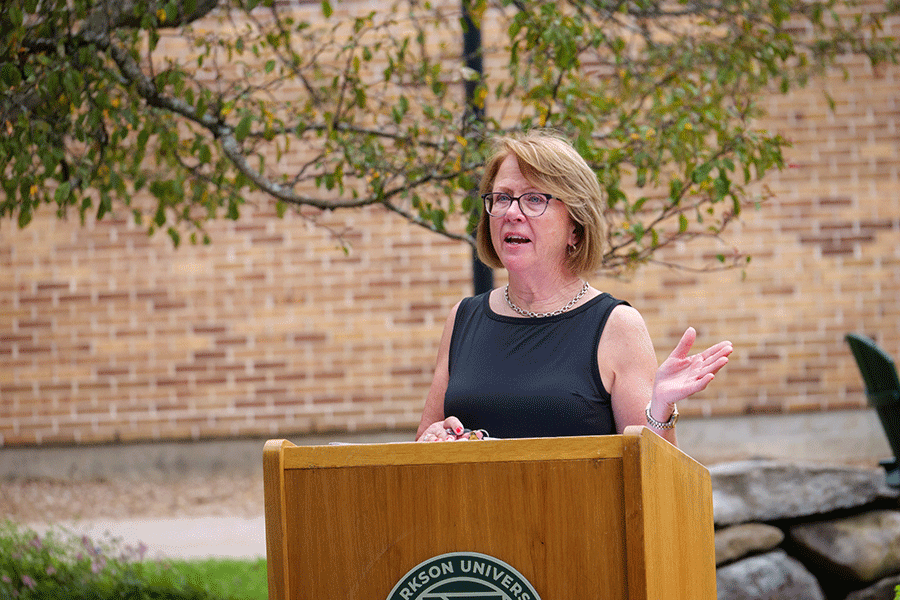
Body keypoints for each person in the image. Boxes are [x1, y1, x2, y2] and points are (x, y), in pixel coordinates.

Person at [416, 130, 733, 445]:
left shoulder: (616, 326)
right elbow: (417, 454)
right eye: (502, 198)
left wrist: (659, 409)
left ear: (576, 229)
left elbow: (653, 476)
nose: (512, 213)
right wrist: (435, 441)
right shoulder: (463, 319)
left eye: (534, 199)